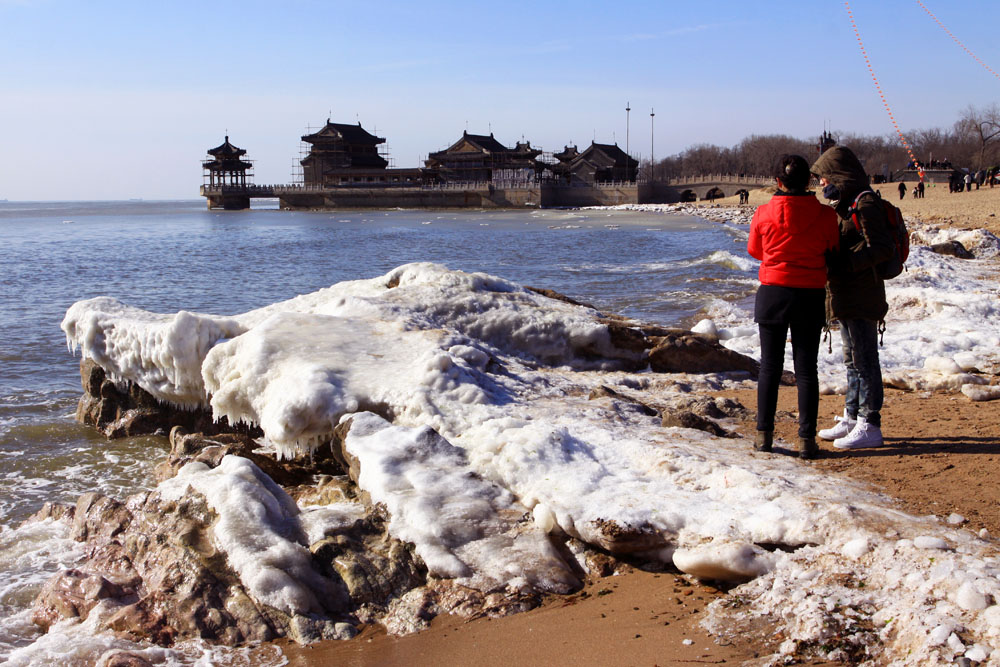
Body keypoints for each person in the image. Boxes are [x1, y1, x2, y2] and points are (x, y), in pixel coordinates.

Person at [747, 155, 839, 459]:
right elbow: (832, 249)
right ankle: (805, 440)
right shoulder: (825, 215)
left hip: (773, 292)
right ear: (809, 182)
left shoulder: (762, 213)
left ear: (778, 182)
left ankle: (764, 436)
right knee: (806, 370)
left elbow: (755, 251)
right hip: (810, 294)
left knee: (769, 368)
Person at [811, 146, 895, 450]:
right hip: (846, 293)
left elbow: (883, 247)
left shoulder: (865, 203)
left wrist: (846, 264)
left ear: (838, 175)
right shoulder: (845, 204)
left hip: (863, 293)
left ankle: (870, 423)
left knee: (865, 359)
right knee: (852, 359)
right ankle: (852, 415)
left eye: (823, 177)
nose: (821, 184)